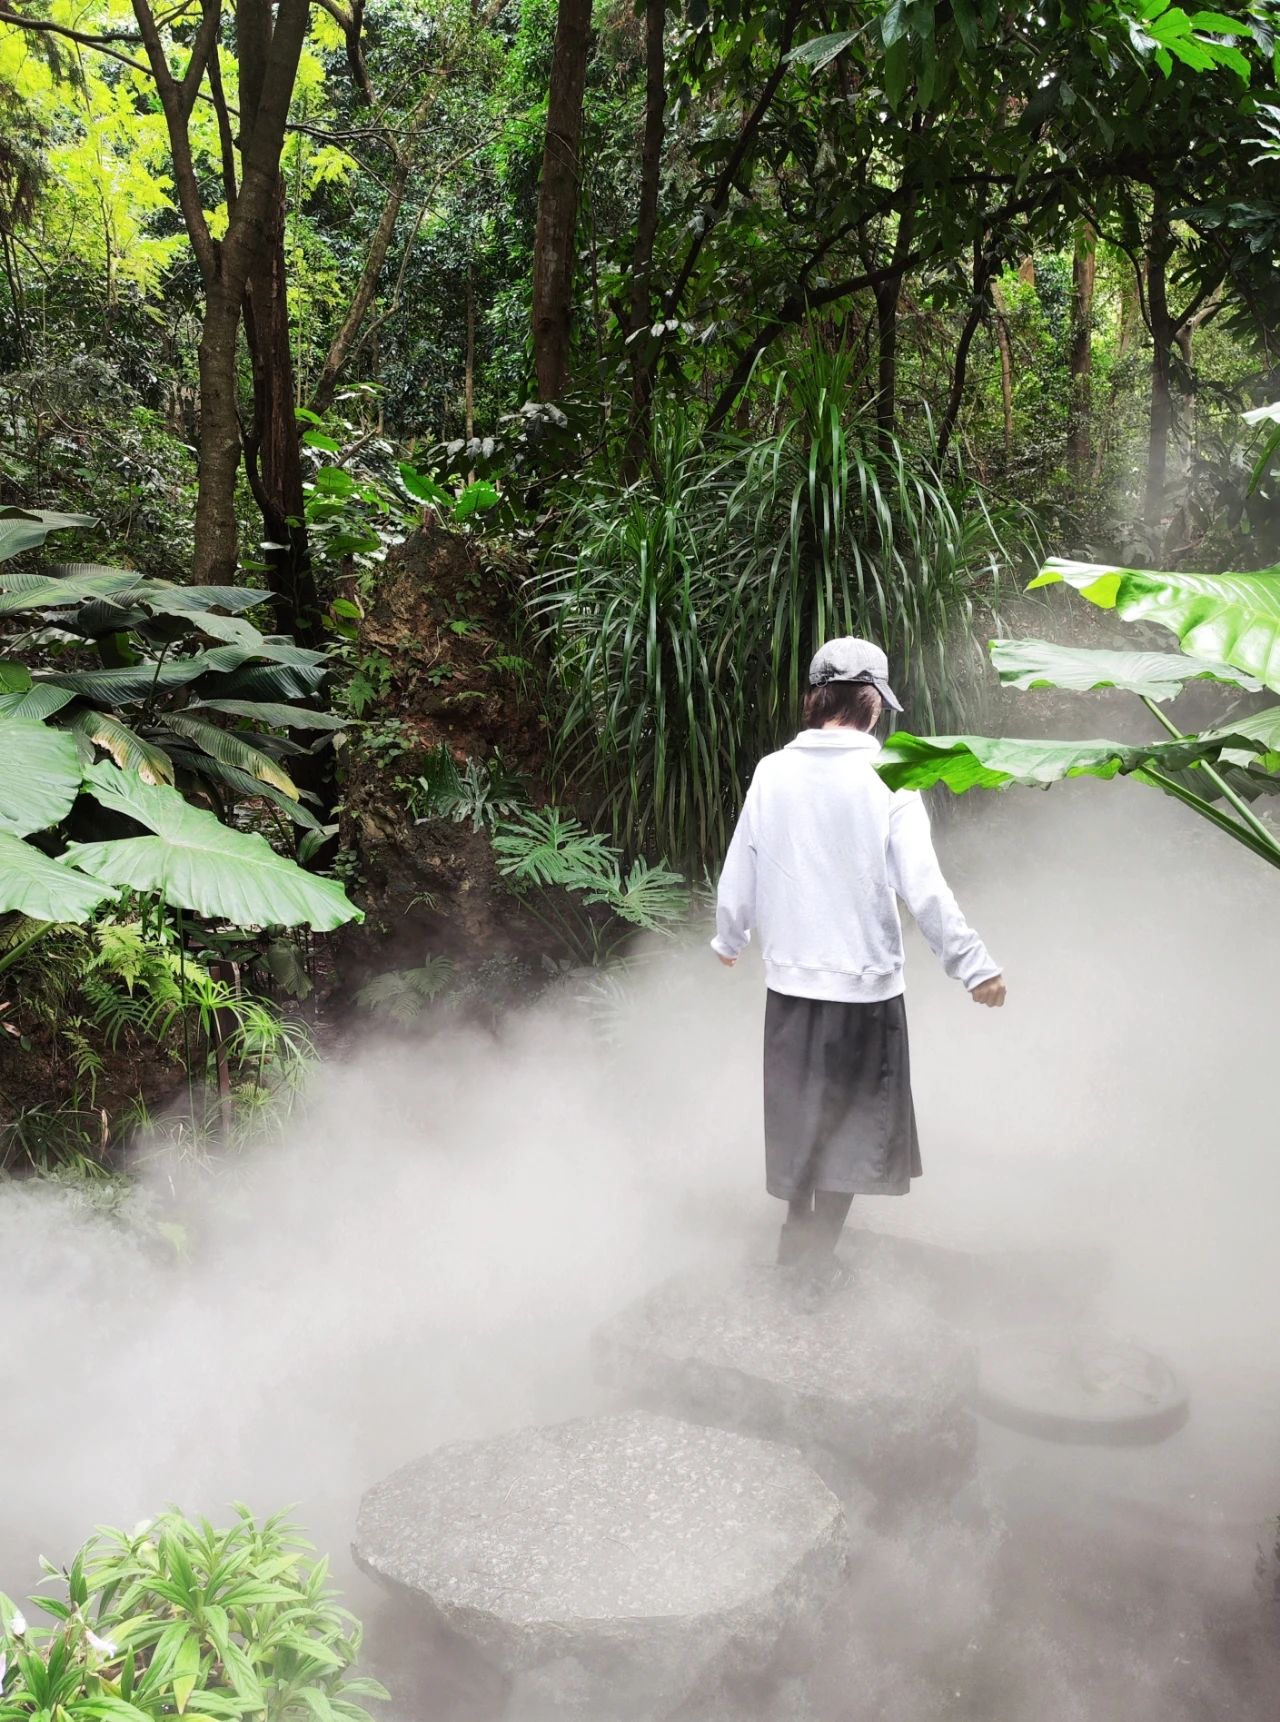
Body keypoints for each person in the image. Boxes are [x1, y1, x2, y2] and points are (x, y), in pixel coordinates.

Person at [711, 636, 1005, 1300]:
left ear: (816, 698)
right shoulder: (888, 775)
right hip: (866, 993)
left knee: (800, 1119)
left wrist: (729, 936)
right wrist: (975, 968)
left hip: (790, 988)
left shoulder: (771, 771)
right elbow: (925, 890)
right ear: (871, 701)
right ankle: (815, 1263)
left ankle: (796, 1237)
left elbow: (740, 869)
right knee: (852, 1127)